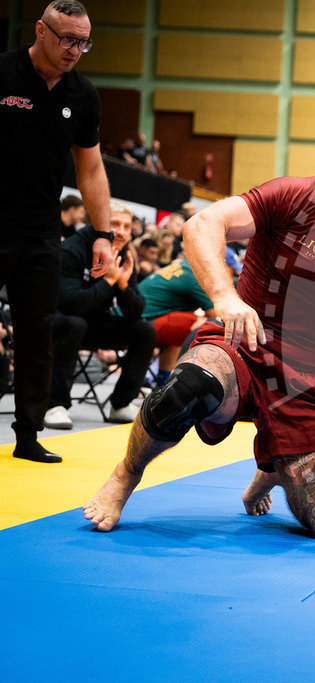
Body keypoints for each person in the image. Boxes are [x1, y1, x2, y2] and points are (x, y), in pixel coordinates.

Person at [83, 121, 315, 539]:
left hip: (304, 384)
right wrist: (225, 297)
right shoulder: (300, 196)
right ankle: (125, 475)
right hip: (240, 348)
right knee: (189, 387)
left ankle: (272, 468)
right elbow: (202, 224)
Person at [0, 0, 113, 463]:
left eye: (83, 43)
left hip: (42, 233)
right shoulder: (3, 73)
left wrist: (103, 233)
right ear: (41, 31)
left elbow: (91, 169)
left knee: (38, 334)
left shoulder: (83, 95)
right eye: (67, 39)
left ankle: (27, 435)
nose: (74, 49)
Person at [44, 200, 155, 429]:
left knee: (144, 331)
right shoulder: (73, 249)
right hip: (57, 321)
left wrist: (122, 286)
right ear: (99, 223)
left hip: (93, 323)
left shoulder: (123, 254)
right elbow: (70, 303)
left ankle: (121, 404)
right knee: (75, 324)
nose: (122, 232)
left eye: (127, 226)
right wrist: (109, 282)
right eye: (115, 224)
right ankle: (55, 405)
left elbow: (136, 310)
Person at [138, 252, 230, 385]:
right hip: (140, 323)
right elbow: (216, 315)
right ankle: (195, 381)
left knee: (182, 328)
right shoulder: (197, 277)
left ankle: (163, 382)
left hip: (136, 318)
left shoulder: (187, 267)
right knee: (207, 324)